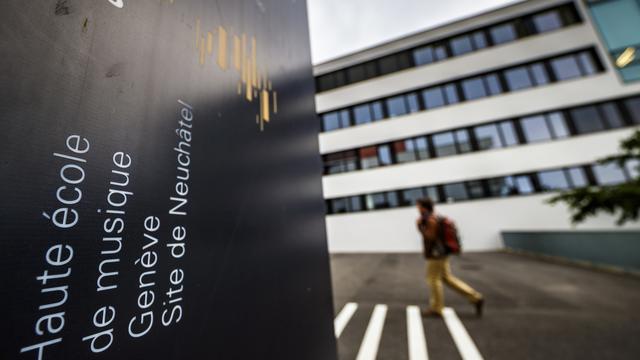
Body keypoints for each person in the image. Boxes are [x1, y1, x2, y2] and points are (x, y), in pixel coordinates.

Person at [416, 197, 484, 317]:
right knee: (447, 278)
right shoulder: (436, 217)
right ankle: (475, 297)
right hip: (442, 254)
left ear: (423, 207)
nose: (417, 208)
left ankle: (437, 308)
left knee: (433, 279)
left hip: (436, 255)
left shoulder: (430, 220)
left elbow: (430, 237)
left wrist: (420, 227)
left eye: (418, 206)